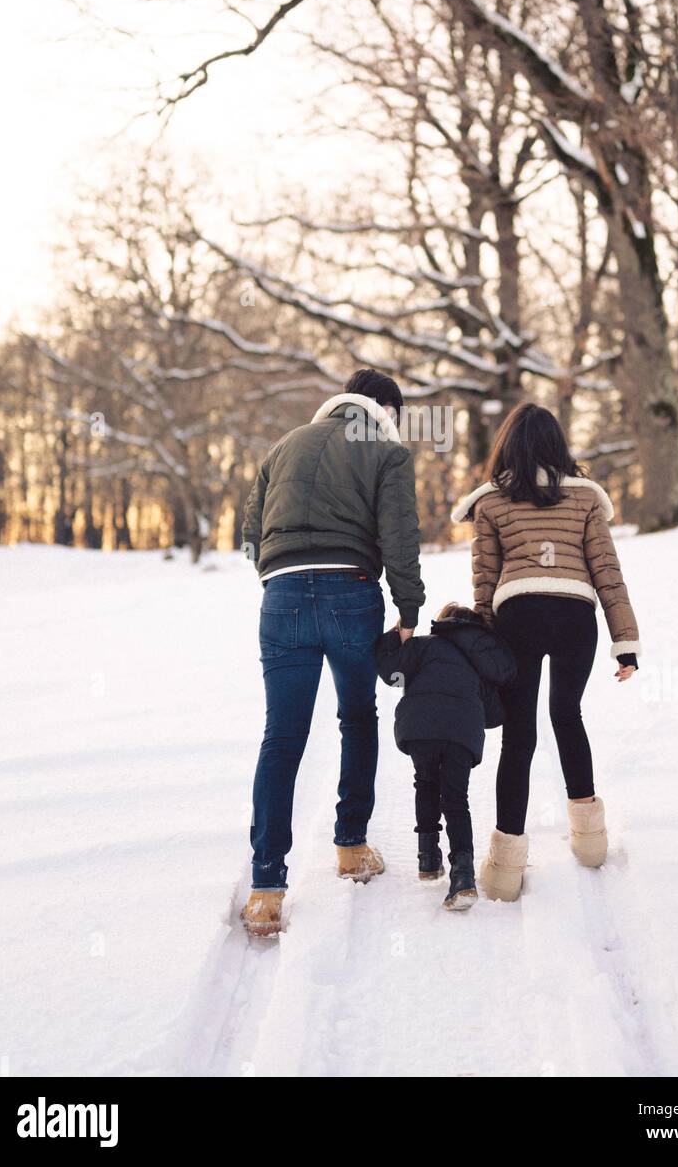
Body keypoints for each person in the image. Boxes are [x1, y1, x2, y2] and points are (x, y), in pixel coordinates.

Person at [240, 369, 425, 936]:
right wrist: (409, 609)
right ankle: (351, 846)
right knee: (357, 717)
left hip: (284, 597)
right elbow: (399, 535)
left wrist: (281, 576)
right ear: (383, 410)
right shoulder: (386, 451)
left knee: (282, 736)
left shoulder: (284, 445)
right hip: (352, 593)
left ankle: (266, 890)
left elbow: (250, 530)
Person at [450, 402, 640, 900]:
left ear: (508, 447)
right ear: (559, 446)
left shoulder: (491, 503)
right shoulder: (585, 500)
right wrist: (625, 644)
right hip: (576, 616)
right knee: (567, 715)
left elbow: (485, 582)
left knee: (519, 736)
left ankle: (507, 868)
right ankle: (591, 842)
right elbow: (608, 575)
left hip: (519, 616)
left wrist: (487, 643)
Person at [375, 603, 515, 911]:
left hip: (420, 727)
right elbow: (494, 715)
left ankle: (428, 858)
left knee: (425, 783)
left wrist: (396, 634)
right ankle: (462, 877)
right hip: (462, 734)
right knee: (455, 798)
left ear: (443, 622)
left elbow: (390, 671)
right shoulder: (480, 660)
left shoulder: (424, 646)